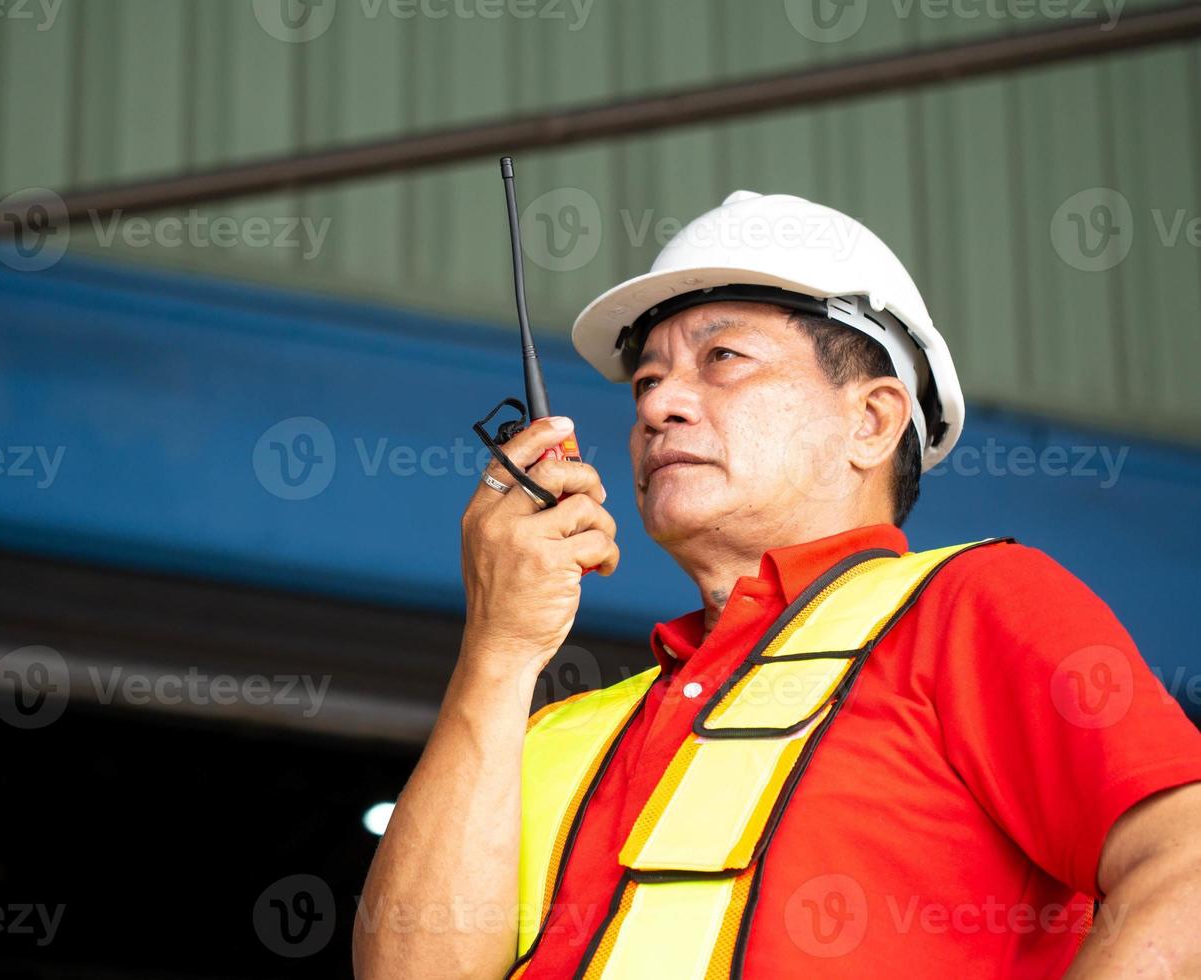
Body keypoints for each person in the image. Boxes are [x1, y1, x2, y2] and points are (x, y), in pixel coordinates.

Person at [354, 191, 1201, 979]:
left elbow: (1186, 867)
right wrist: (499, 653)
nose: (658, 406)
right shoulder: (553, 735)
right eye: (648, 380)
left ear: (870, 421)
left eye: (722, 357)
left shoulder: (970, 605)